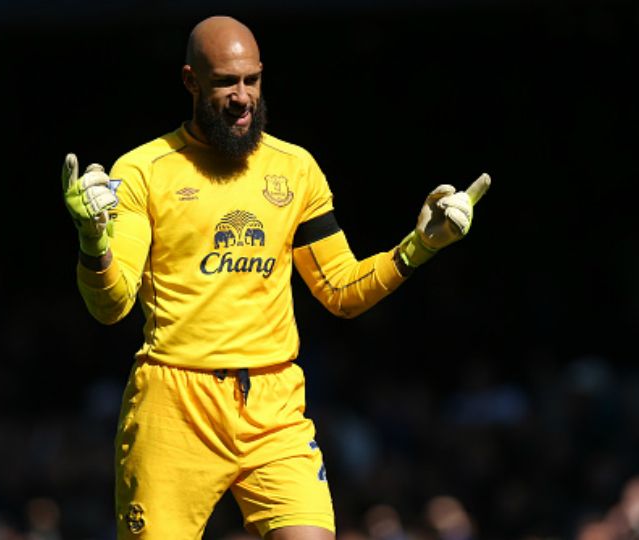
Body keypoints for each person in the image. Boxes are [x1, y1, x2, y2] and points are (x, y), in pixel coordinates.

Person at [60, 15, 490, 540]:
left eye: (251, 80)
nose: (242, 97)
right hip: (175, 406)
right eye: (224, 83)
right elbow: (111, 306)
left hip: (273, 404)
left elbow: (340, 291)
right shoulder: (144, 170)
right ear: (191, 81)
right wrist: (92, 242)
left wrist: (421, 246)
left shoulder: (295, 169)